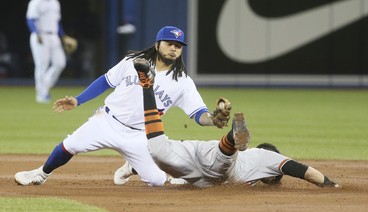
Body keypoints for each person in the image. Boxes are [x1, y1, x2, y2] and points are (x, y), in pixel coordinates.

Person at [14, 26, 229, 187]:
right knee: (71, 145)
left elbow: (198, 114)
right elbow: (105, 81)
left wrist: (213, 119)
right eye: (169, 43)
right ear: (157, 45)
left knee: (156, 181)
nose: (174, 48)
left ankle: (131, 166)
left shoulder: (183, 82)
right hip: (107, 121)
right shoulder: (133, 61)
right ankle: (41, 174)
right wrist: (78, 100)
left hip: (139, 135)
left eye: (178, 46)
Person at [127, 59, 340, 188]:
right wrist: (330, 184)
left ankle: (147, 85)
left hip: (196, 157)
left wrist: (138, 167)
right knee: (222, 163)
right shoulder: (266, 157)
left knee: (158, 150)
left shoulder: (255, 167)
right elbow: (302, 170)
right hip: (218, 166)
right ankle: (233, 136)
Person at [26, 0, 75, 103]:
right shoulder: (36, 2)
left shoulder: (55, 2)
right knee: (42, 65)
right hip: (40, 35)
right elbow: (30, 20)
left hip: (53, 36)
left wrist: (63, 36)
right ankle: (41, 94)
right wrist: (36, 32)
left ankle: (44, 86)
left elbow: (56, 22)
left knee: (60, 63)